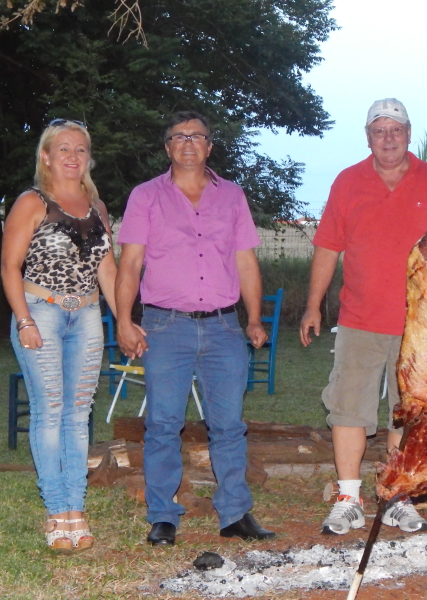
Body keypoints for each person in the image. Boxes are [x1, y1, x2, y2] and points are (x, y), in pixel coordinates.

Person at [300, 98, 427, 535]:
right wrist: (312, 306)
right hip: (359, 318)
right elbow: (327, 247)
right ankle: (348, 498)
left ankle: (399, 495)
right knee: (347, 407)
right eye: (379, 130)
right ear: (368, 138)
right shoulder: (348, 182)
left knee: (409, 411)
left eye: (395, 129)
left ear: (409, 133)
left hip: (421, 322)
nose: (388, 138)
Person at [115, 111, 276, 545]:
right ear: (168, 148)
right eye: (178, 137)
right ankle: (163, 516)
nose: (188, 143)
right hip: (165, 326)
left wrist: (255, 318)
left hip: (224, 327)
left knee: (229, 425)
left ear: (209, 147)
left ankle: (235, 514)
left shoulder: (233, 197)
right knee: (164, 424)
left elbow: (246, 261)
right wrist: (123, 320)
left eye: (197, 136)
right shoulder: (146, 196)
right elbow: (129, 263)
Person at [1, 118, 118, 552]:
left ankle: (76, 510)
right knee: (50, 412)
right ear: (46, 156)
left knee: (77, 415)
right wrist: (24, 321)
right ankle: (56, 511)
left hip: (86, 315)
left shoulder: (96, 206)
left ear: (88, 157)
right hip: (40, 313)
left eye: (80, 150)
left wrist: (124, 318)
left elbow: (107, 269)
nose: (72, 157)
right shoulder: (32, 202)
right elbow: (9, 266)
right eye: (63, 149)